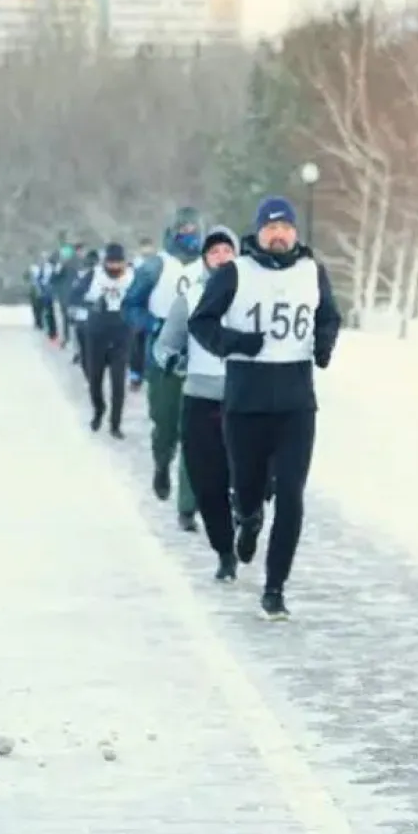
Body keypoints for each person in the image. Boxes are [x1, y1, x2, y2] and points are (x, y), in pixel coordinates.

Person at [188, 196, 341, 621]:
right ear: (257, 233)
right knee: (250, 487)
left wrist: (323, 346)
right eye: (270, 228)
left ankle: (275, 588)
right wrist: (236, 343)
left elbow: (329, 316)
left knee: (291, 495)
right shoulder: (236, 273)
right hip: (246, 401)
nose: (278, 234)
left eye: (285, 227)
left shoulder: (313, 272)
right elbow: (200, 323)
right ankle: (248, 516)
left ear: (295, 233)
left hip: (296, 402)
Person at [153, 226, 241, 575]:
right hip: (201, 397)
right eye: (214, 252)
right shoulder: (190, 297)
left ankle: (246, 517)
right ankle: (224, 552)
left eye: (226, 251)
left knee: (247, 476)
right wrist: (173, 361)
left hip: (244, 398)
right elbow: (165, 345)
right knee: (207, 480)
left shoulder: (251, 295)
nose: (220, 257)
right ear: (205, 259)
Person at [124, 207, 203, 530]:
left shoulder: (208, 267)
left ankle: (187, 507)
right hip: (162, 361)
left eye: (194, 228)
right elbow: (131, 305)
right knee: (166, 427)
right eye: (183, 228)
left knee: (194, 434)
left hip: (200, 360)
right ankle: (161, 463)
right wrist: (153, 324)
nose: (189, 234)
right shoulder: (156, 266)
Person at [74, 242, 135, 438]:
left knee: (118, 382)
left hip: (121, 334)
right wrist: (91, 303)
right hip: (97, 333)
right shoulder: (94, 275)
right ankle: (99, 408)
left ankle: (115, 424)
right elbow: (74, 296)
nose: (115, 268)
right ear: (105, 262)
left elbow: (142, 299)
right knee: (95, 379)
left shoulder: (132, 276)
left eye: (119, 263)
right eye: (111, 263)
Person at [128, 236, 158, 390]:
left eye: (149, 247)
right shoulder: (135, 265)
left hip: (153, 308)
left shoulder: (157, 265)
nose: (147, 250)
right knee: (136, 343)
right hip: (138, 308)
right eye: (144, 247)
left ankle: (148, 374)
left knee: (150, 343)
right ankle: (135, 375)